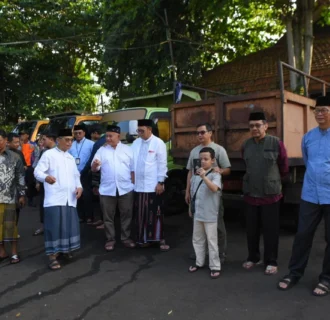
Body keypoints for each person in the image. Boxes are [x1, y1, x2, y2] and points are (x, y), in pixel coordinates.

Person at [278, 96, 330, 296]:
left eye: (324, 110)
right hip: (310, 194)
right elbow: (309, 163)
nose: (319, 114)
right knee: (302, 235)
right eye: (317, 111)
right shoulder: (308, 137)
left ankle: (326, 278)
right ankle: (294, 273)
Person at [242, 111, 288, 275]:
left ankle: (271, 261)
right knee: (251, 230)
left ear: (266, 126)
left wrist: (273, 179)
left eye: (258, 125)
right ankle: (253, 257)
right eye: (251, 126)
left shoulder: (276, 143)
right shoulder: (246, 145)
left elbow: (284, 166)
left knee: (271, 230)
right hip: (251, 195)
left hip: (270, 195)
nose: (254, 128)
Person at [34, 129, 83, 270]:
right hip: (54, 198)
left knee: (67, 226)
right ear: (58, 140)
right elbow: (37, 171)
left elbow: (76, 176)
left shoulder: (70, 158)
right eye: (66, 139)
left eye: (71, 140)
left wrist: (79, 187)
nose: (69, 142)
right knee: (53, 227)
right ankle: (52, 256)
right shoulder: (49, 155)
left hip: (70, 198)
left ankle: (64, 250)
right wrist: (45, 178)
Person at [185, 123, 231, 263]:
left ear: (210, 133)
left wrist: (220, 171)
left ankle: (220, 253)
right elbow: (190, 172)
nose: (200, 135)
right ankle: (200, 254)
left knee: (217, 225)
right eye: (198, 132)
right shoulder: (194, 151)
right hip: (197, 194)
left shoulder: (219, 150)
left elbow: (227, 169)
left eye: (203, 132)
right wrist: (187, 191)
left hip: (212, 194)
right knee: (198, 225)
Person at [91, 125, 135, 251]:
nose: (108, 139)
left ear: (118, 136)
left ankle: (125, 237)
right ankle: (110, 239)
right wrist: (95, 165)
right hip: (107, 189)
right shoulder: (102, 150)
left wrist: (133, 185)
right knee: (108, 216)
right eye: (107, 136)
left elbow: (133, 170)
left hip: (126, 188)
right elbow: (94, 168)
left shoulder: (128, 150)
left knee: (126, 214)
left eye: (111, 136)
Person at [131, 119, 169, 251]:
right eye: (138, 130)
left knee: (155, 213)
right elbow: (131, 162)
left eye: (142, 130)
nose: (139, 133)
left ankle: (158, 239)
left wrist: (160, 182)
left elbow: (162, 164)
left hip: (153, 186)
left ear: (150, 129)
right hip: (138, 186)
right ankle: (143, 239)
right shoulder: (135, 143)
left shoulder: (158, 143)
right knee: (141, 214)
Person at [188, 147, 222, 279]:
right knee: (197, 239)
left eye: (206, 159)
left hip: (210, 213)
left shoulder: (215, 174)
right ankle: (199, 262)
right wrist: (191, 207)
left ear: (213, 160)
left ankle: (215, 266)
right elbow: (193, 192)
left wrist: (204, 176)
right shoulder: (196, 175)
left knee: (212, 240)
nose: (203, 161)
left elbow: (214, 188)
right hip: (198, 213)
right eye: (201, 159)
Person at [0, 129, 26, 264]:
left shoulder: (14, 157)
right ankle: (2, 252)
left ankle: (14, 253)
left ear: (5, 141)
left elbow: (20, 176)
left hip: (10, 197)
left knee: (11, 227)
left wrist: (22, 194)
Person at [33, 131, 57, 236]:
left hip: (55, 184)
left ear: (51, 139)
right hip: (44, 183)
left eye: (44, 139)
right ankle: (44, 226)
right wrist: (38, 182)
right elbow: (39, 168)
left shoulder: (59, 151)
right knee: (43, 205)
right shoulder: (44, 152)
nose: (41, 142)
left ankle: (54, 227)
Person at [69, 124, 94, 223]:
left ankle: (89, 216)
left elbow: (92, 158)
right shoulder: (71, 144)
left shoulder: (90, 144)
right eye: (75, 133)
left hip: (86, 173)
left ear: (84, 133)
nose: (78, 135)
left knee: (87, 195)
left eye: (80, 133)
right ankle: (80, 216)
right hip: (74, 173)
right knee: (76, 195)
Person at [7, 133, 27, 225]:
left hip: (16, 188)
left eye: (18, 142)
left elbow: (24, 167)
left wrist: (22, 193)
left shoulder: (19, 153)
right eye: (15, 142)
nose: (18, 144)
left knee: (16, 210)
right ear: (8, 142)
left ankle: (13, 230)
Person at [19, 130, 39, 207]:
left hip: (30, 166)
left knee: (30, 183)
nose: (22, 136)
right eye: (21, 135)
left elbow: (36, 155)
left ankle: (30, 199)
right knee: (21, 182)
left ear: (27, 135)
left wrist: (33, 166)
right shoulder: (19, 144)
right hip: (21, 166)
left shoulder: (33, 144)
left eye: (23, 134)